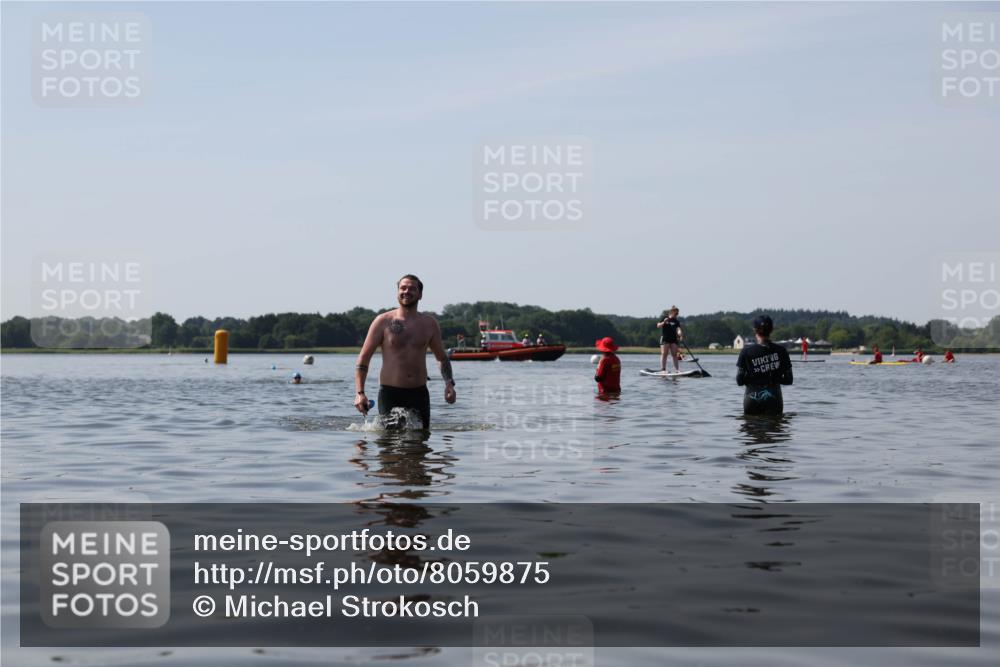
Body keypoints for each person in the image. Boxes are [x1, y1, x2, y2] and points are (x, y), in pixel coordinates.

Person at [353, 275, 456, 429]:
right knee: (389, 446)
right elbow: (364, 358)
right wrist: (360, 393)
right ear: (397, 292)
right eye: (403, 288)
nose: (406, 291)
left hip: (419, 394)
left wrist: (449, 383)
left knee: (421, 443)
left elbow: (441, 358)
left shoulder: (429, 324)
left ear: (420, 294)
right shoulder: (383, 321)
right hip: (390, 393)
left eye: (412, 288)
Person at [736, 315, 793, 416]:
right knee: (774, 429)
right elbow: (789, 380)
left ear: (754, 330)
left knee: (751, 428)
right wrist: (773, 378)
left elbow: (739, 380)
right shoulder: (781, 351)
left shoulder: (746, 352)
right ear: (772, 330)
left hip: (751, 398)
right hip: (774, 398)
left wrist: (754, 379)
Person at [656, 306, 683, 372]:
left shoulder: (676, 321)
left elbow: (678, 329)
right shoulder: (665, 318)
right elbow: (658, 325)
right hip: (665, 339)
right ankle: (663, 369)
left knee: (674, 354)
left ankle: (677, 370)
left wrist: (680, 334)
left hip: (673, 339)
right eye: (676, 313)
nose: (677, 315)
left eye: (677, 314)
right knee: (664, 354)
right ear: (671, 312)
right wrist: (664, 322)